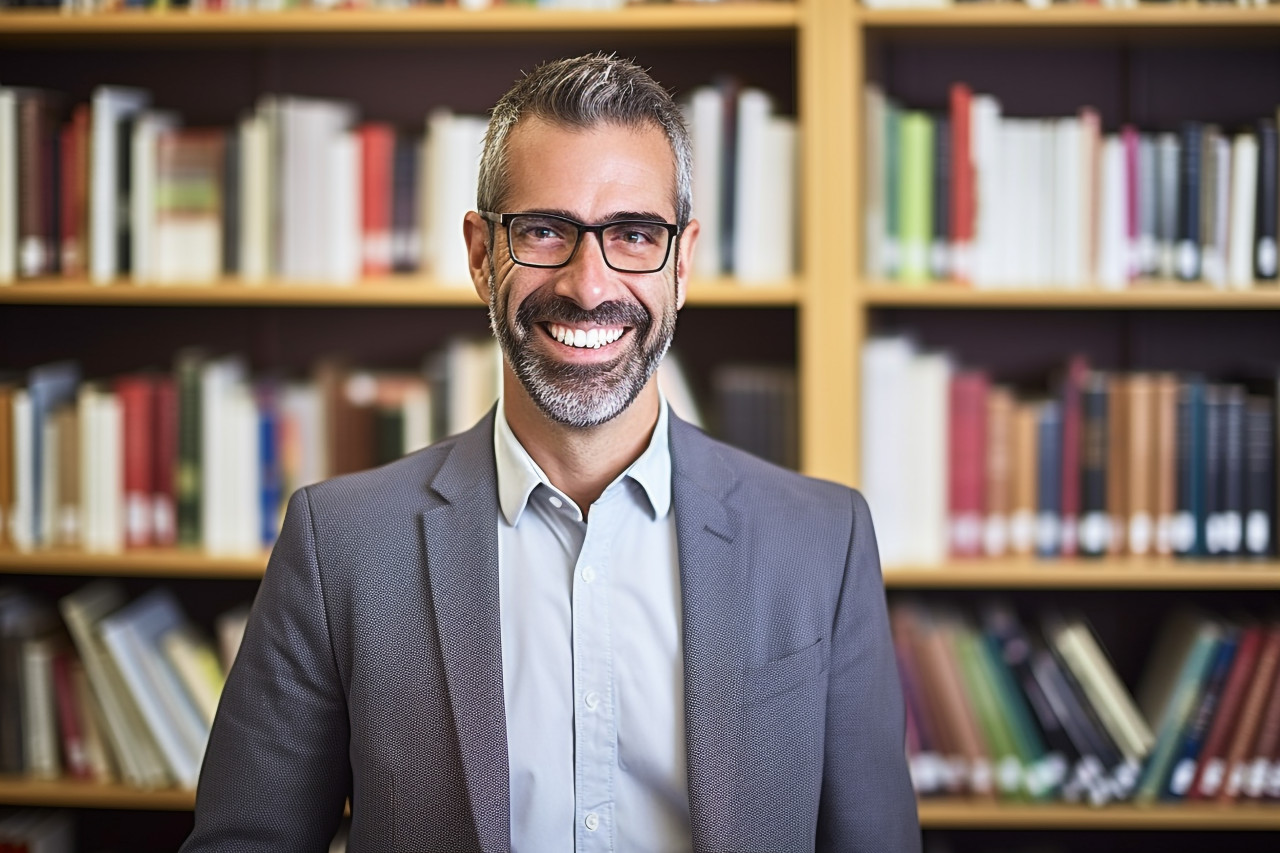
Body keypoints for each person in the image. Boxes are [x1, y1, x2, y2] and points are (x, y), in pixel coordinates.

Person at [181, 53, 920, 853]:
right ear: (479, 253)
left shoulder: (823, 542)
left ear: (684, 261)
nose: (589, 283)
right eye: (544, 231)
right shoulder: (341, 546)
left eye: (634, 234)